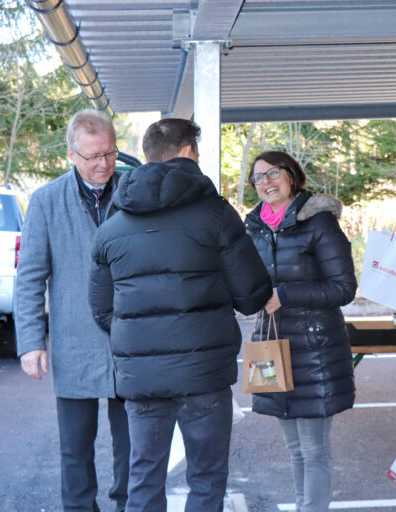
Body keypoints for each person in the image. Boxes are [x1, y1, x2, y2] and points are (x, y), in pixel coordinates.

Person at [88, 118, 272, 512]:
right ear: (188, 152)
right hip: (203, 373)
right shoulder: (216, 215)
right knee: (206, 480)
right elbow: (251, 295)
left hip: (142, 377)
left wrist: (142, 339)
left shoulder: (112, 225)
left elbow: (103, 310)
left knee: (144, 479)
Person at [14, 109, 130, 512]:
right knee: (75, 452)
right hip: (75, 341)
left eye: (110, 154)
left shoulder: (135, 190)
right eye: (93, 156)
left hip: (132, 341)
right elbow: (29, 277)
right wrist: (30, 343)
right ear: (71, 155)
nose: (103, 164)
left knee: (135, 450)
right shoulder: (46, 201)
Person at [244, 150, 357, 512]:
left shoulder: (319, 222)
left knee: (313, 450)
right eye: (258, 177)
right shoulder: (254, 226)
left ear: (292, 175)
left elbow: (344, 288)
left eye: (273, 173)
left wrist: (286, 295)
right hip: (271, 343)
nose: (266, 182)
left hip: (314, 349)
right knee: (294, 450)